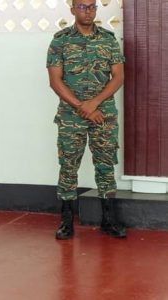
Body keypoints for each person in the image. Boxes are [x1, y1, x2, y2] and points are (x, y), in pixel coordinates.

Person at [46, 0, 126, 240]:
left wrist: (94, 103)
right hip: (72, 116)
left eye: (92, 6)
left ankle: (108, 220)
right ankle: (67, 220)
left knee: (105, 165)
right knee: (68, 165)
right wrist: (83, 106)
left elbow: (118, 76)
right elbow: (55, 81)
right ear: (72, 9)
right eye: (82, 6)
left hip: (104, 115)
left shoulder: (108, 39)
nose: (88, 11)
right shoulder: (60, 41)